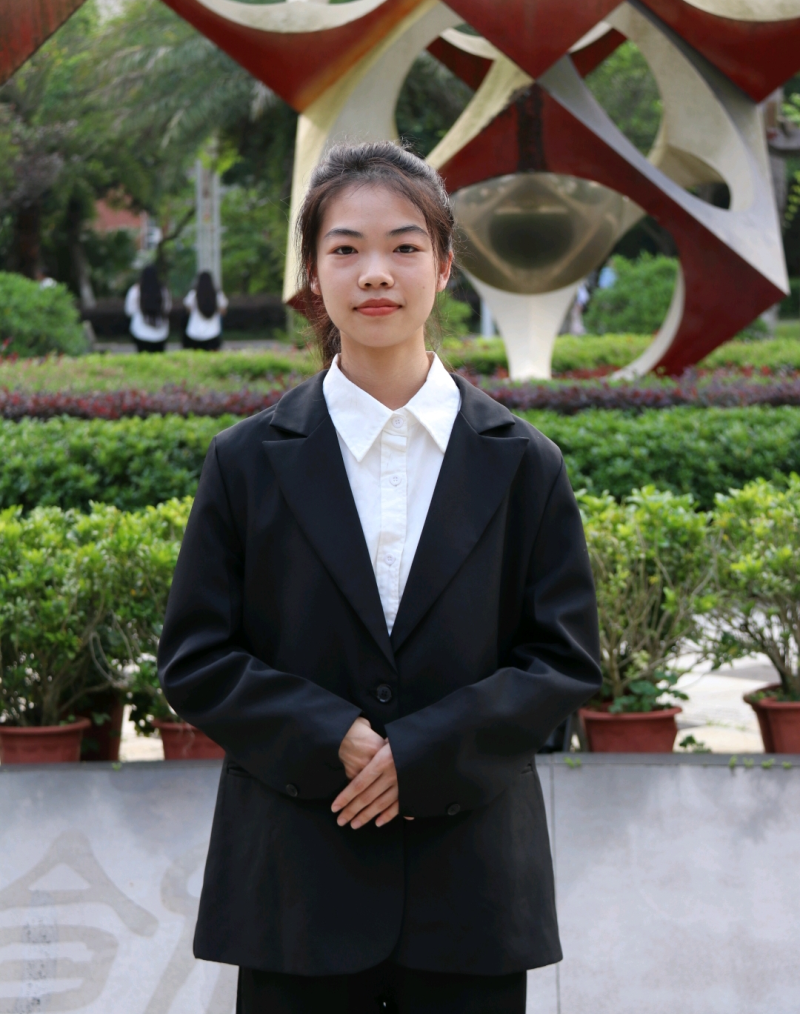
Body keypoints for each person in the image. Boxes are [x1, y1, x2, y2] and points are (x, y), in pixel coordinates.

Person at [158, 143, 601, 1014]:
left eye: (404, 247)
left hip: (471, 892)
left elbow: (563, 660)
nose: (375, 273)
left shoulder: (523, 462)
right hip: (296, 887)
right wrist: (332, 734)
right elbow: (197, 656)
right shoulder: (247, 461)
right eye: (346, 248)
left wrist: (424, 752)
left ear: (444, 266)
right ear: (312, 273)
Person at [124, 265, 171, 353]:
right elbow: (167, 308)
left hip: (140, 331)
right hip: (161, 331)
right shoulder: (163, 290)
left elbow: (129, 311)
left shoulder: (135, 290)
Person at [182, 271, 228, 351]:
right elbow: (223, 311)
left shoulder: (193, 294)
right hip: (213, 331)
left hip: (195, 332)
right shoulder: (217, 294)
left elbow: (188, 310)